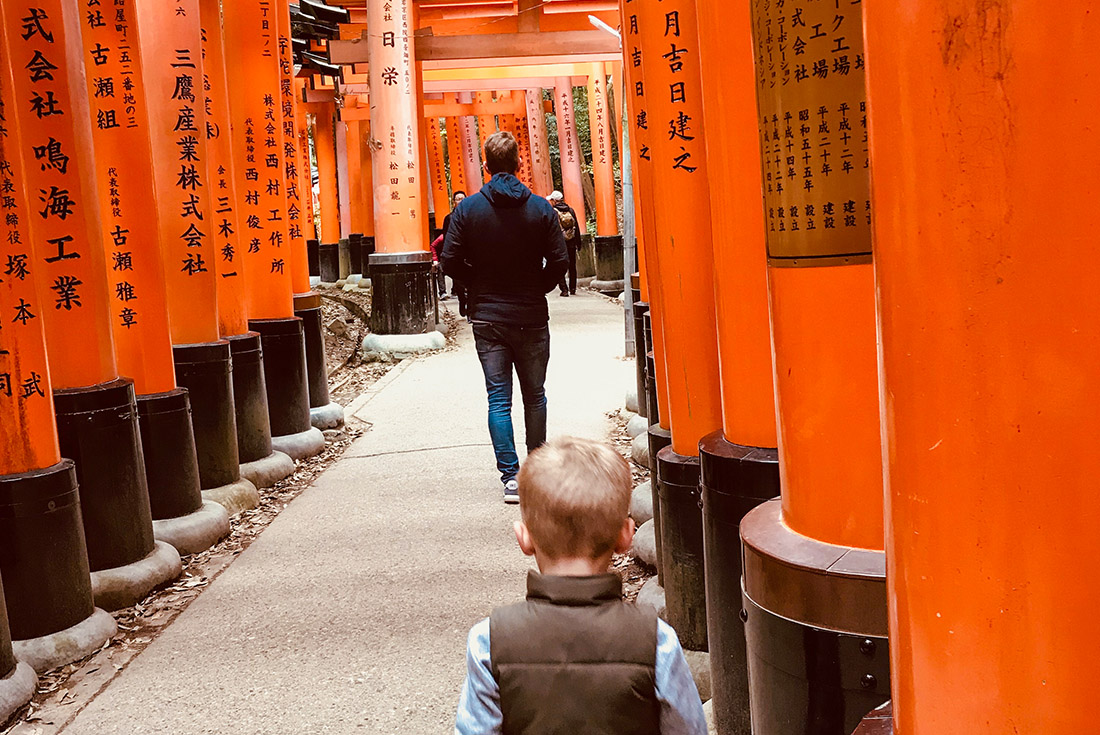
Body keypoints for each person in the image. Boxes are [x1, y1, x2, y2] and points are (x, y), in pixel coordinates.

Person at [455, 437, 708, 735]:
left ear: (524, 538)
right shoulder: (655, 640)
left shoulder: (489, 641)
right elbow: (689, 729)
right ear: (626, 536)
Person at [441, 132, 569, 503]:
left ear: (486, 165)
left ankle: (511, 477)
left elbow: (449, 260)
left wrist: (476, 285)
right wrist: (538, 287)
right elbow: (559, 260)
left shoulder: (468, 210)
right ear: (518, 164)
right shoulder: (541, 209)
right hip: (531, 314)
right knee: (535, 395)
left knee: (498, 398)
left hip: (488, 316)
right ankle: (537, 472)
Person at [547, 190, 580, 296]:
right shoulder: (570, 210)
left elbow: (551, 229)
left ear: (554, 201)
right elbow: (577, 227)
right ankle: (573, 288)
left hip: (559, 243)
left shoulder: (553, 212)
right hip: (571, 242)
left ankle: (564, 290)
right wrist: (578, 243)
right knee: (572, 266)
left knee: (559, 265)